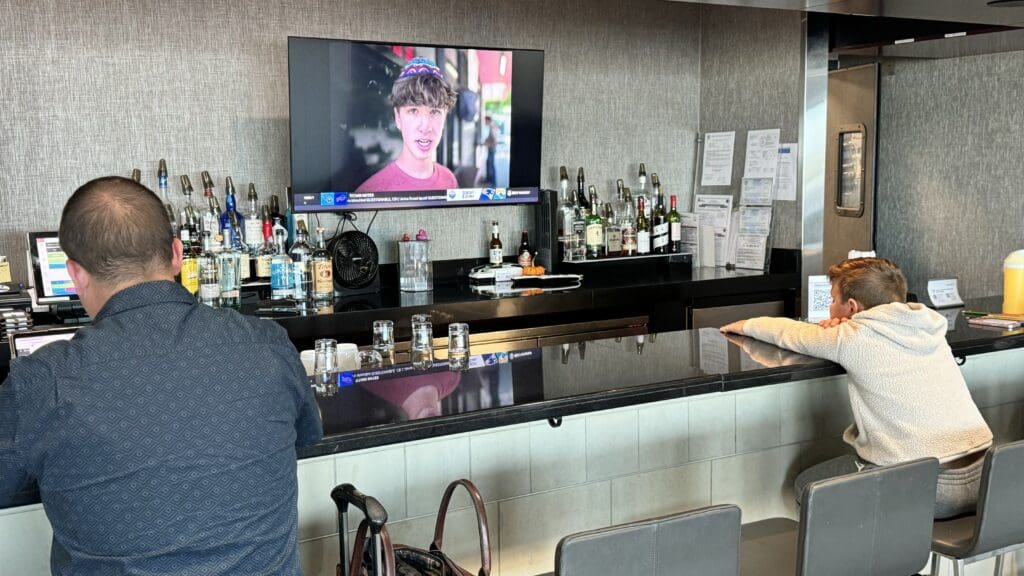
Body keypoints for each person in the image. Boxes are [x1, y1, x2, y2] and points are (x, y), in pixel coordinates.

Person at [0, 176, 322, 575]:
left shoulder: (42, 381)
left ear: (75, 274)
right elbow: (308, 436)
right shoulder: (268, 345)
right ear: (176, 254)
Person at [720, 257, 992, 519]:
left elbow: (789, 332)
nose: (829, 307)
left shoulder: (853, 337)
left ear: (851, 306)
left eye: (832, 300)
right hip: (987, 480)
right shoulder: (930, 326)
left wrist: (741, 325)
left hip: (930, 489)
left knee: (810, 487)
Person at [356, 58, 458, 193]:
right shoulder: (371, 191)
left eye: (434, 112)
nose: (425, 127)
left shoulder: (449, 180)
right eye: (413, 111)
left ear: (445, 118)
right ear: (398, 117)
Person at [483, 115, 497, 186]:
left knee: (491, 165)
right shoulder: (492, 126)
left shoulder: (492, 127)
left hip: (492, 149)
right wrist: (486, 140)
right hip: (491, 149)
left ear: (488, 120)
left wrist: (488, 144)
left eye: (485, 121)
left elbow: (494, 141)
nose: (484, 123)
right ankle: (489, 180)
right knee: (489, 163)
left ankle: (492, 182)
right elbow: (490, 138)